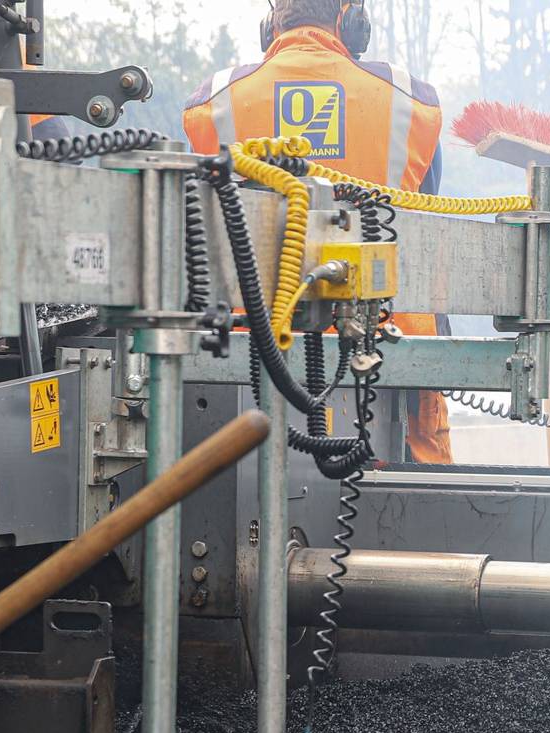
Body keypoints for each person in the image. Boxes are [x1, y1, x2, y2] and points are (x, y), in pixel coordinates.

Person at [182, 0, 454, 464]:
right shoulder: (412, 103)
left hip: (251, 359)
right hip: (390, 355)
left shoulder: (214, 103)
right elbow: (423, 226)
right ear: (352, 21)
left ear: (271, 24)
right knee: (404, 516)